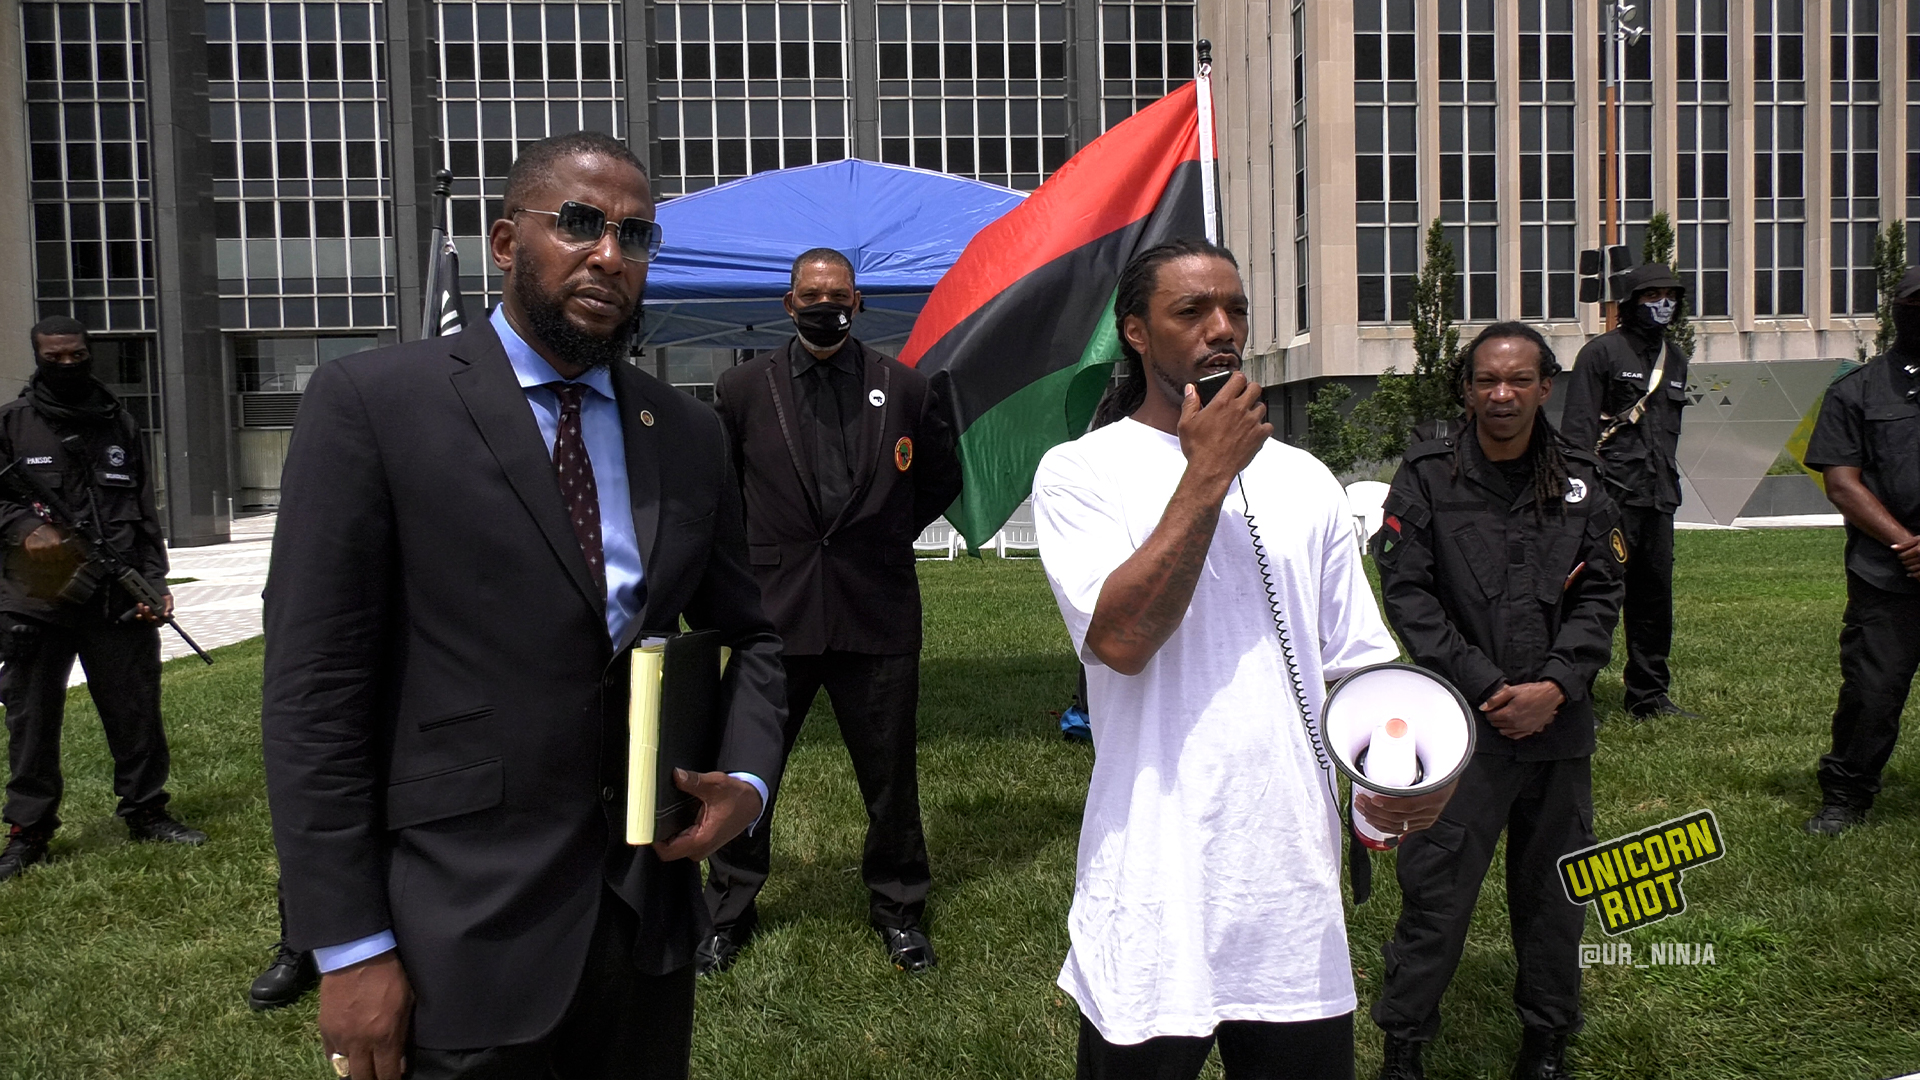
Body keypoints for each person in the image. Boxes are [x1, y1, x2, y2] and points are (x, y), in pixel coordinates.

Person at [261, 130, 787, 1080]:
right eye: (580, 224)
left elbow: (753, 635)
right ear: (507, 243)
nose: (609, 256)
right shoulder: (374, 405)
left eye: (636, 236)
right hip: (457, 932)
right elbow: (314, 696)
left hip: (643, 923)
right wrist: (348, 946)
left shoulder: (689, 434)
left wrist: (746, 783)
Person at [1032, 237, 1453, 1080]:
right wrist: (1206, 475)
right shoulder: (1081, 472)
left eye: (1235, 310)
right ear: (1137, 335)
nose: (1222, 329)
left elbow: (1356, 661)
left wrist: (1394, 777)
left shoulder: (1306, 479)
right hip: (1154, 880)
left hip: (1289, 886)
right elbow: (1120, 641)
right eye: (1191, 311)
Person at [1369, 324, 1627, 1080]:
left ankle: (1546, 1042)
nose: (1502, 395)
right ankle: (1405, 1045)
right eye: (1487, 381)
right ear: (1468, 389)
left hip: (1557, 729)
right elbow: (1409, 594)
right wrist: (1485, 685)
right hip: (1461, 730)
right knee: (1436, 893)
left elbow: (1603, 593)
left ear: (1546, 386)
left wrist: (1556, 684)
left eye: (1518, 380)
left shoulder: (1581, 481)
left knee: (1552, 899)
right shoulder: (1425, 475)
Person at [700, 248, 962, 974]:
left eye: (838, 295)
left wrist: (880, 537)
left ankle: (900, 911)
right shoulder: (742, 388)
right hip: (772, 616)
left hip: (874, 611)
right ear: (790, 304)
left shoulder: (904, 387)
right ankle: (728, 912)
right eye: (812, 295)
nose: (826, 306)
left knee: (889, 779)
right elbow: (722, 493)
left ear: (858, 301)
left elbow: (939, 476)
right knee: (749, 772)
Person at [0, 316, 205, 883]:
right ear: (37, 356)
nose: (67, 365)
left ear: (91, 353)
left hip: (115, 596)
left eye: (77, 355)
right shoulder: (13, 425)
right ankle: (29, 831)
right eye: (55, 357)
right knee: (32, 722)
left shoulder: (118, 422)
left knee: (135, 712)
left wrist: (155, 582)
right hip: (35, 600)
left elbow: (143, 509)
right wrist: (21, 526)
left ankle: (146, 811)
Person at [1801, 267, 1920, 835]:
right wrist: (1905, 543)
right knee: (1871, 696)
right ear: (1896, 309)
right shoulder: (1858, 389)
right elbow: (1843, 483)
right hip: (1887, 574)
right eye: (1915, 303)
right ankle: (1846, 796)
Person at [1560, 263, 1696, 720]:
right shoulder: (1601, 353)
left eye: (1671, 295)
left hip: (1658, 497)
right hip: (1610, 499)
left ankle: (1649, 695)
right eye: (1653, 294)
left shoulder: (1674, 359)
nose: (1664, 303)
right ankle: (1576, 695)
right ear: (1631, 302)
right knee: (1595, 597)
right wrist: (1586, 499)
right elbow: (1577, 432)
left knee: (1654, 600)